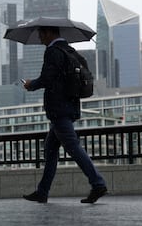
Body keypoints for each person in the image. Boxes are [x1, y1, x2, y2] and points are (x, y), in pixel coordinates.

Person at [22, 26, 107, 204]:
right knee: (51, 150)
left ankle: (98, 183)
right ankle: (42, 191)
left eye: (41, 34)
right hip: (69, 106)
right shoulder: (70, 51)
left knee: (73, 147)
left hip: (58, 109)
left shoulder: (53, 51)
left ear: (49, 33)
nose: (40, 39)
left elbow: (47, 78)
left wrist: (31, 84)